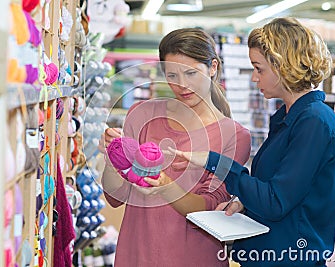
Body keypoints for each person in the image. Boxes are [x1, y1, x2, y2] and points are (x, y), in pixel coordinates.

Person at [169, 17, 335, 266]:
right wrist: (244, 203)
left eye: (259, 68)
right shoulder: (288, 118)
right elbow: (279, 190)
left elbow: (276, 202)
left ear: (283, 65)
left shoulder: (314, 121)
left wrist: (215, 162)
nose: (254, 78)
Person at [98, 28, 251, 266]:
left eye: (191, 73)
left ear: (212, 68)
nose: (182, 85)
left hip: (194, 257)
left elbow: (211, 208)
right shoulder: (142, 114)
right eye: (172, 76)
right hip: (137, 254)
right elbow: (116, 197)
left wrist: (166, 187)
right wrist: (112, 156)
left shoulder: (234, 136)